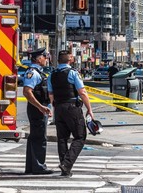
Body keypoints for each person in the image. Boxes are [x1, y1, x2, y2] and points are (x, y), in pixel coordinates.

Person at [47, 50, 94, 177]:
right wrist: (89, 109)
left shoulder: (52, 75)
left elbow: (51, 94)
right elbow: (82, 92)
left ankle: (64, 167)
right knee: (80, 136)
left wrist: (54, 106)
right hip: (72, 107)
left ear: (59, 60)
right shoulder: (73, 73)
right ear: (70, 60)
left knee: (62, 138)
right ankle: (66, 164)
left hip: (59, 108)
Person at [23, 47, 53, 175]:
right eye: (44, 56)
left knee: (35, 136)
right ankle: (38, 166)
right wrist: (40, 107)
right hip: (37, 109)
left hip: (38, 108)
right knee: (39, 137)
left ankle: (32, 166)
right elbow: (27, 92)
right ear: (38, 58)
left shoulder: (38, 72)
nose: (46, 59)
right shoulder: (33, 73)